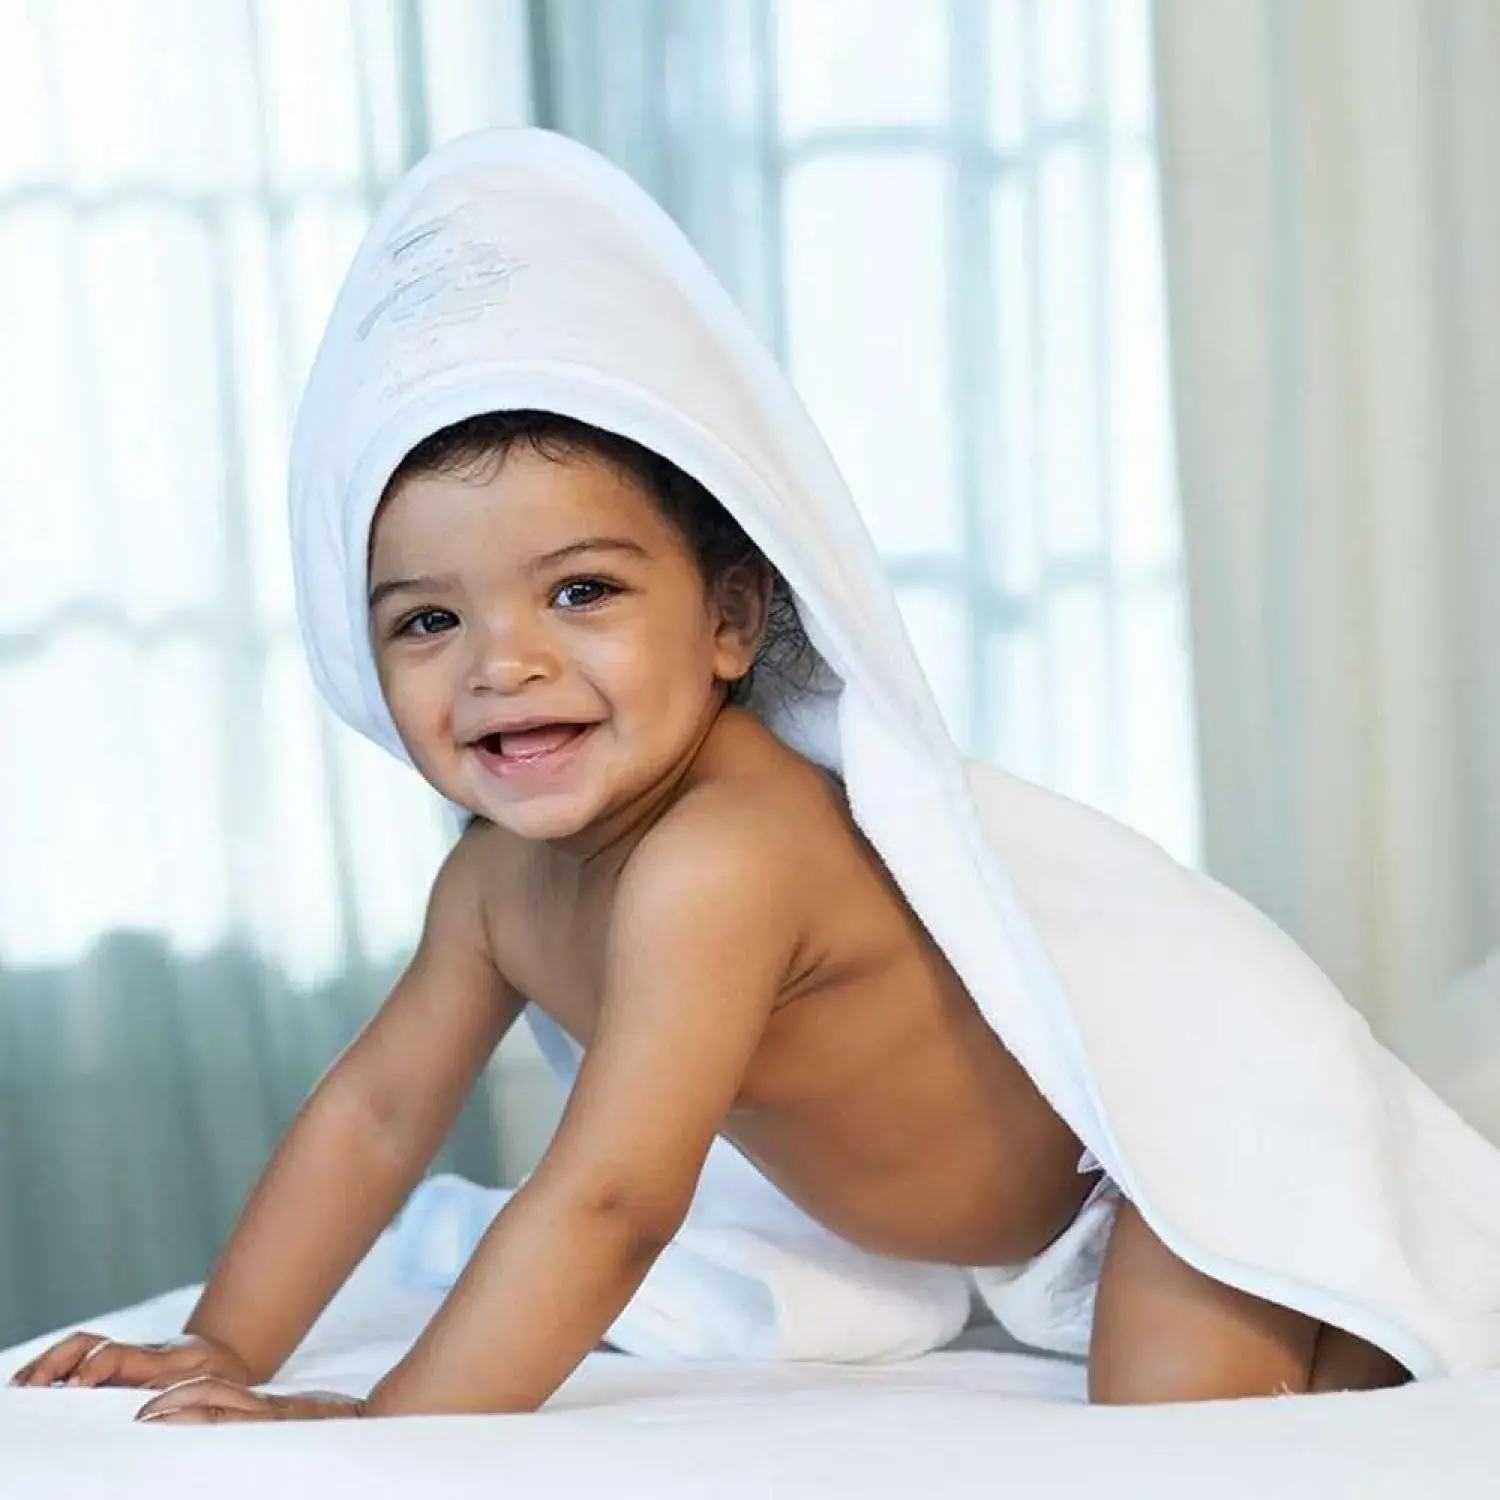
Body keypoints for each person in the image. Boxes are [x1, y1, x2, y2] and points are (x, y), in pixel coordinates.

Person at [9, 410, 1409, 1420]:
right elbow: (375, 1112)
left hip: (1155, 1177)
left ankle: (1380, 1324)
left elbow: (614, 1199)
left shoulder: (726, 851)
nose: (504, 661)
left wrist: (396, 1427)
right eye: (428, 621)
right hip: (990, 1242)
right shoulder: (490, 883)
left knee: (1183, 1434)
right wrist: (227, 1341)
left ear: (732, 621)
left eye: (581, 591)